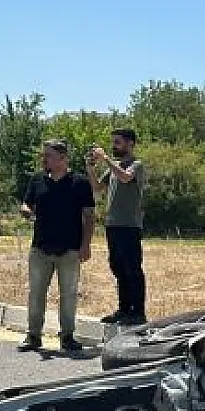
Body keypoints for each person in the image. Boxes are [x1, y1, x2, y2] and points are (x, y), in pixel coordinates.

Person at [18, 139, 95, 352]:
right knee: (36, 293)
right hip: (40, 247)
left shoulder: (79, 182)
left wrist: (86, 245)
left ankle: (67, 336)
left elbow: (89, 216)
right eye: (44, 155)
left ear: (63, 158)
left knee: (69, 294)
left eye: (49, 155)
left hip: (69, 248)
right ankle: (33, 335)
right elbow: (27, 202)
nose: (44, 159)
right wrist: (25, 210)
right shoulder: (37, 180)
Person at [89, 127, 148, 327]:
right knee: (118, 268)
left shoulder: (136, 165)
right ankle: (124, 310)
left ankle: (138, 312)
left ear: (130, 144)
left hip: (129, 225)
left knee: (132, 269)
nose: (114, 146)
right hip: (112, 224)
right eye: (113, 142)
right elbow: (97, 187)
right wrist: (90, 167)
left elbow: (125, 177)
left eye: (118, 142)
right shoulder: (115, 167)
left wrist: (105, 158)